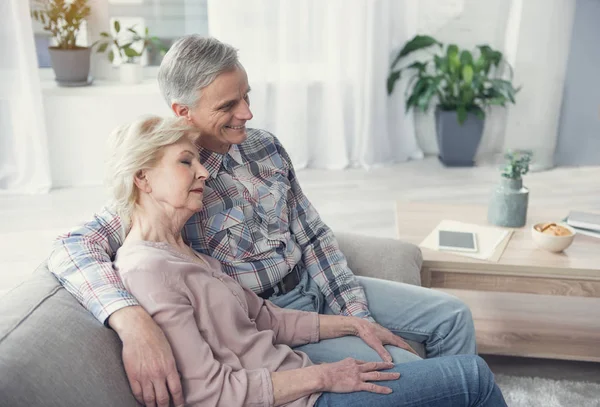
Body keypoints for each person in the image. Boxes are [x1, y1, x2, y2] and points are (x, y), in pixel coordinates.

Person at [48, 36, 476, 407]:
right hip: (269, 320)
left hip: (313, 287)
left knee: (454, 315)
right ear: (183, 112)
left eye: (247, 96)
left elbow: (312, 234)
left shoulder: (265, 147)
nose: (247, 114)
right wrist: (129, 318)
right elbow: (72, 247)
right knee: (405, 370)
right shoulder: (168, 181)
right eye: (229, 104)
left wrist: (354, 312)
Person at [108, 115, 507, 407]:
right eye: (185, 162)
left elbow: (269, 319)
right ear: (142, 178)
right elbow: (209, 392)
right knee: (472, 376)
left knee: (453, 348)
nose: (203, 174)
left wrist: (354, 322)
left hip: (300, 378)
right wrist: (325, 375)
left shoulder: (181, 250)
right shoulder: (149, 269)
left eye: (198, 161)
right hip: (298, 396)